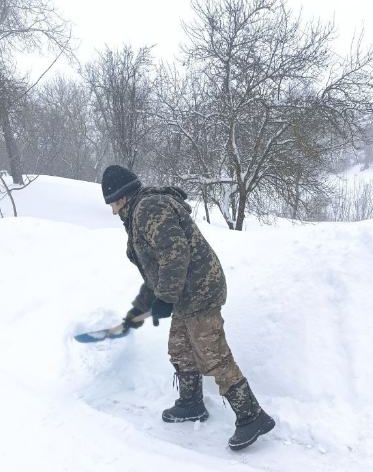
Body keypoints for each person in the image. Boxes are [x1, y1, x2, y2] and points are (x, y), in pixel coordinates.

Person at [102, 164, 275, 451]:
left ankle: (252, 416)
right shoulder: (141, 212)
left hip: (199, 291)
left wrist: (166, 299)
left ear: (122, 197)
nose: (112, 211)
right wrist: (142, 307)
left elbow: (174, 254)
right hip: (185, 293)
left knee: (213, 354)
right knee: (180, 348)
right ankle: (191, 403)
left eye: (112, 204)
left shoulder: (149, 209)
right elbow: (155, 269)